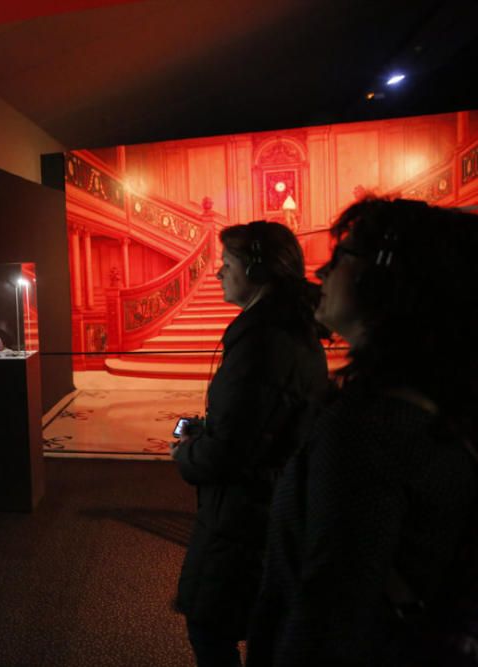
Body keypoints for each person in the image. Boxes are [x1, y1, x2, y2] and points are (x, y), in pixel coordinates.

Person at [247, 198, 478, 666]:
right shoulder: (437, 403)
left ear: (389, 278)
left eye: (341, 258)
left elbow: (328, 616)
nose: (321, 274)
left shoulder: (368, 430)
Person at [171, 221, 329, 666]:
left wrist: (186, 453)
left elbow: (230, 450)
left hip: (246, 517)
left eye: (226, 264)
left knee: (211, 630)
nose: (218, 274)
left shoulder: (263, 341)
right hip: (264, 509)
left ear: (257, 269)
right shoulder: (284, 327)